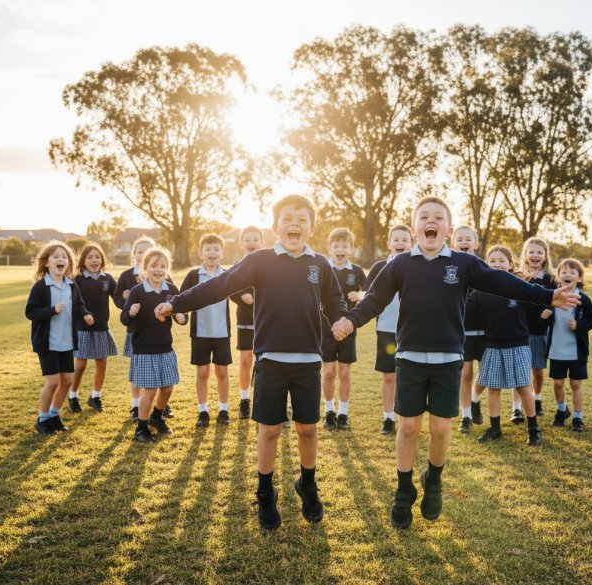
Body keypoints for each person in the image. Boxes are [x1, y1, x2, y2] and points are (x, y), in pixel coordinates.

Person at [332, 195, 579, 529]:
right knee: (408, 427)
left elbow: (503, 281)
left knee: (439, 428)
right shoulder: (400, 264)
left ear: (447, 229)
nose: (430, 221)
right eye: (424, 217)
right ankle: (404, 491)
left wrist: (546, 295)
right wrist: (350, 321)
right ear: (416, 226)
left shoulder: (463, 264)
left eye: (438, 217)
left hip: (449, 359)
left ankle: (433, 480)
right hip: (409, 358)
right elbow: (374, 300)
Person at [154, 194, 347, 530]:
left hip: (308, 362)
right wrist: (178, 303)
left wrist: (342, 319)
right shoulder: (260, 260)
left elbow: (335, 303)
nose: (294, 224)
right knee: (269, 429)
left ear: (312, 228)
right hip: (270, 360)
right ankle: (264, 491)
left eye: (302, 218)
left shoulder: (320, 264)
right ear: (275, 227)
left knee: (308, 428)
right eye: (287, 217)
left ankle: (308, 484)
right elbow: (218, 285)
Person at [467, 245, 540, 445]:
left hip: (518, 344)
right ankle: (495, 428)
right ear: (486, 265)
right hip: (493, 345)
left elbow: (538, 298)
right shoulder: (480, 290)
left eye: (501, 260)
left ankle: (534, 429)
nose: (497, 264)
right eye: (492, 261)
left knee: (524, 387)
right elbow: (466, 311)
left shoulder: (518, 286)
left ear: (510, 264)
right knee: (493, 388)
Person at [25, 241, 93, 434]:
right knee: (53, 382)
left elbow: (79, 305)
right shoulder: (40, 287)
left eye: (64, 256)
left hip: (67, 342)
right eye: (55, 256)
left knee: (67, 381)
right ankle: (42, 418)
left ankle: (54, 415)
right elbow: (30, 312)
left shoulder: (72, 285)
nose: (60, 259)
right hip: (48, 343)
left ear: (68, 262)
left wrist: (85, 314)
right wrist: (51, 310)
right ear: (46, 263)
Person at [121, 248, 187, 442]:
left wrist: (182, 317)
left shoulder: (171, 290)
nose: (158, 270)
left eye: (163, 266)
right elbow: (125, 319)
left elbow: (181, 315)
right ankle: (141, 429)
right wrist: (131, 312)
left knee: (167, 388)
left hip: (165, 347)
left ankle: (157, 418)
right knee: (149, 390)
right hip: (144, 348)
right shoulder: (138, 291)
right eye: (154, 266)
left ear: (167, 269)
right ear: (145, 268)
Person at [359, 224, 413, 435]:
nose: (400, 243)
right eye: (396, 240)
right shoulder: (380, 267)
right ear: (389, 244)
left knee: (407, 377)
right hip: (386, 330)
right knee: (389, 376)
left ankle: (406, 419)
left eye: (404, 240)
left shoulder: (417, 265)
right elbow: (366, 295)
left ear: (411, 243)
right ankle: (388, 419)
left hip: (412, 330)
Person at [179, 234, 233, 427]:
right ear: (200, 253)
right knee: (202, 372)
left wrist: (249, 299)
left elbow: (238, 294)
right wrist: (181, 315)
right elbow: (181, 298)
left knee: (222, 372)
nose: (212, 253)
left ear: (222, 253)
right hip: (200, 333)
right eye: (208, 249)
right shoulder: (194, 276)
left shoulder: (227, 275)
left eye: (216, 249)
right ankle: (203, 411)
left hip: (221, 332)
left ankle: (223, 409)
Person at [540, 259, 592, 432]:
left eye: (572, 272)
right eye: (564, 272)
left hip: (576, 351)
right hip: (556, 349)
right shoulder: (553, 296)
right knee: (557, 383)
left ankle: (578, 417)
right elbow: (545, 320)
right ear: (558, 277)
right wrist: (545, 315)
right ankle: (561, 409)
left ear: (579, 278)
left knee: (575, 383)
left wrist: (579, 325)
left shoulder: (583, 299)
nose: (568, 275)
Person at [321, 228, 366, 431]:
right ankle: (329, 412)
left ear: (351, 248)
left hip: (348, 328)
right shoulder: (323, 268)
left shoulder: (356, 271)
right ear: (329, 248)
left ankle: (343, 413)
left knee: (345, 372)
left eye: (344, 246)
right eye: (336, 246)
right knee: (329, 371)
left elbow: (369, 292)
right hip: (325, 327)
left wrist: (360, 295)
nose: (340, 250)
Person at [113, 235, 161, 421]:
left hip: (157, 331)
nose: (143, 255)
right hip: (135, 330)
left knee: (158, 367)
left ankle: (159, 403)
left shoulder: (162, 273)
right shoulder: (127, 275)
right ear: (134, 254)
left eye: (148, 251)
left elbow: (172, 295)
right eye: (140, 251)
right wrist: (126, 301)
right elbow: (117, 298)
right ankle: (136, 405)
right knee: (137, 368)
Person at [71, 242, 119, 412]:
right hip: (82, 329)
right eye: (90, 257)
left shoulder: (107, 279)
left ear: (102, 260)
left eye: (97, 257)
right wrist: (83, 315)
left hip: (101, 328)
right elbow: (74, 303)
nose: (94, 260)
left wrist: (128, 299)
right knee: (81, 365)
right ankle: (73, 396)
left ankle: (95, 396)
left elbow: (118, 298)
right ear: (83, 261)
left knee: (101, 362)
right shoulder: (76, 279)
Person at [516, 237, 557, 422]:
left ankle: (537, 399)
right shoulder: (518, 276)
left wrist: (549, 311)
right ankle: (516, 408)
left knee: (537, 370)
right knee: (519, 370)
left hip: (540, 331)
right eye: (531, 252)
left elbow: (555, 302)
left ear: (545, 256)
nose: (535, 255)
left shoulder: (550, 279)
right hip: (519, 330)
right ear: (525, 254)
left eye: (539, 252)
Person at [452, 226, 485, 434]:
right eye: (460, 239)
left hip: (484, 331)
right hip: (462, 332)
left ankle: (475, 400)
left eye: (468, 239)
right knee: (465, 374)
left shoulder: (483, 267)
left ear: (476, 243)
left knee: (485, 374)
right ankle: (465, 416)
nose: (464, 242)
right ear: (453, 243)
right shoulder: (450, 267)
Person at [230, 226, 264, 418]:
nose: (251, 243)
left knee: (265, 362)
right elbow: (229, 289)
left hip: (266, 321)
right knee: (245, 361)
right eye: (248, 239)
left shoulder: (269, 264)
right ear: (242, 244)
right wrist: (242, 295)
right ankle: (244, 400)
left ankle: (264, 399)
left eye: (255, 239)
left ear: (262, 242)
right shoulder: (237, 265)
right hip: (245, 321)